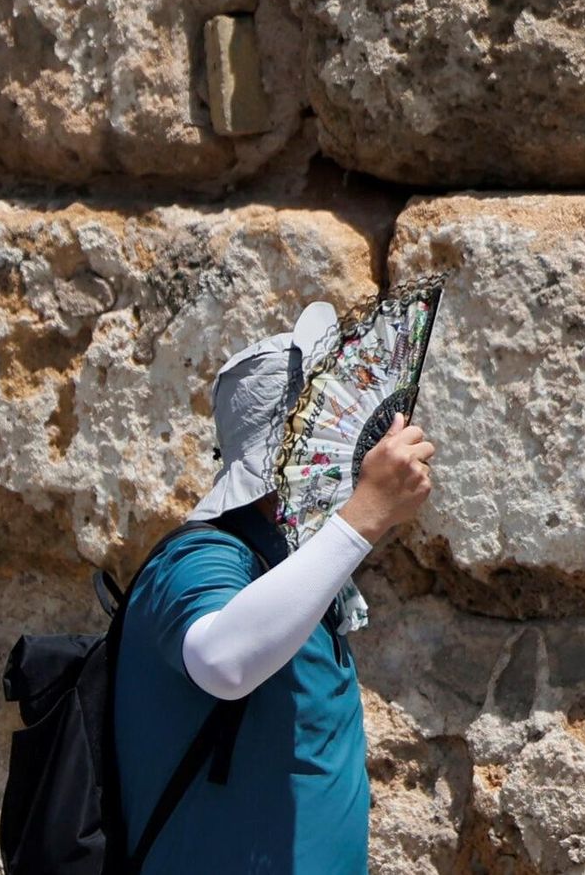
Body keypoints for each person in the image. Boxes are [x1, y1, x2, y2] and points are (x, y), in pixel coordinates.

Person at [112, 301, 436, 874]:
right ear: (294, 446)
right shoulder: (201, 556)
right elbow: (221, 661)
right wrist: (363, 515)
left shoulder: (291, 568)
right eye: (332, 412)